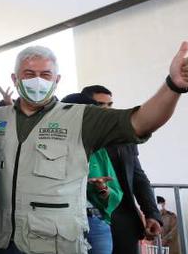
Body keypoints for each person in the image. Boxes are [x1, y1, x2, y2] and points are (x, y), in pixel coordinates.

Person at [0, 45, 188, 254]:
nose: (37, 81)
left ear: (57, 80)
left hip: (54, 244)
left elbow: (142, 121)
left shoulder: (80, 117)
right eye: (29, 73)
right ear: (15, 79)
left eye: (45, 75)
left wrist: (173, 86)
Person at [82, 85, 163, 254]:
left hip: (124, 221)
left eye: (110, 104)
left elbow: (138, 177)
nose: (107, 109)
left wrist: (152, 214)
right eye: (100, 104)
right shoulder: (77, 136)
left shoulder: (124, 136)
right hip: (90, 220)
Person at [61, 93, 123, 254]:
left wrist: (103, 190)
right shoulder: (48, 144)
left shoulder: (99, 149)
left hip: (94, 222)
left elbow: (115, 192)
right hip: (59, 224)